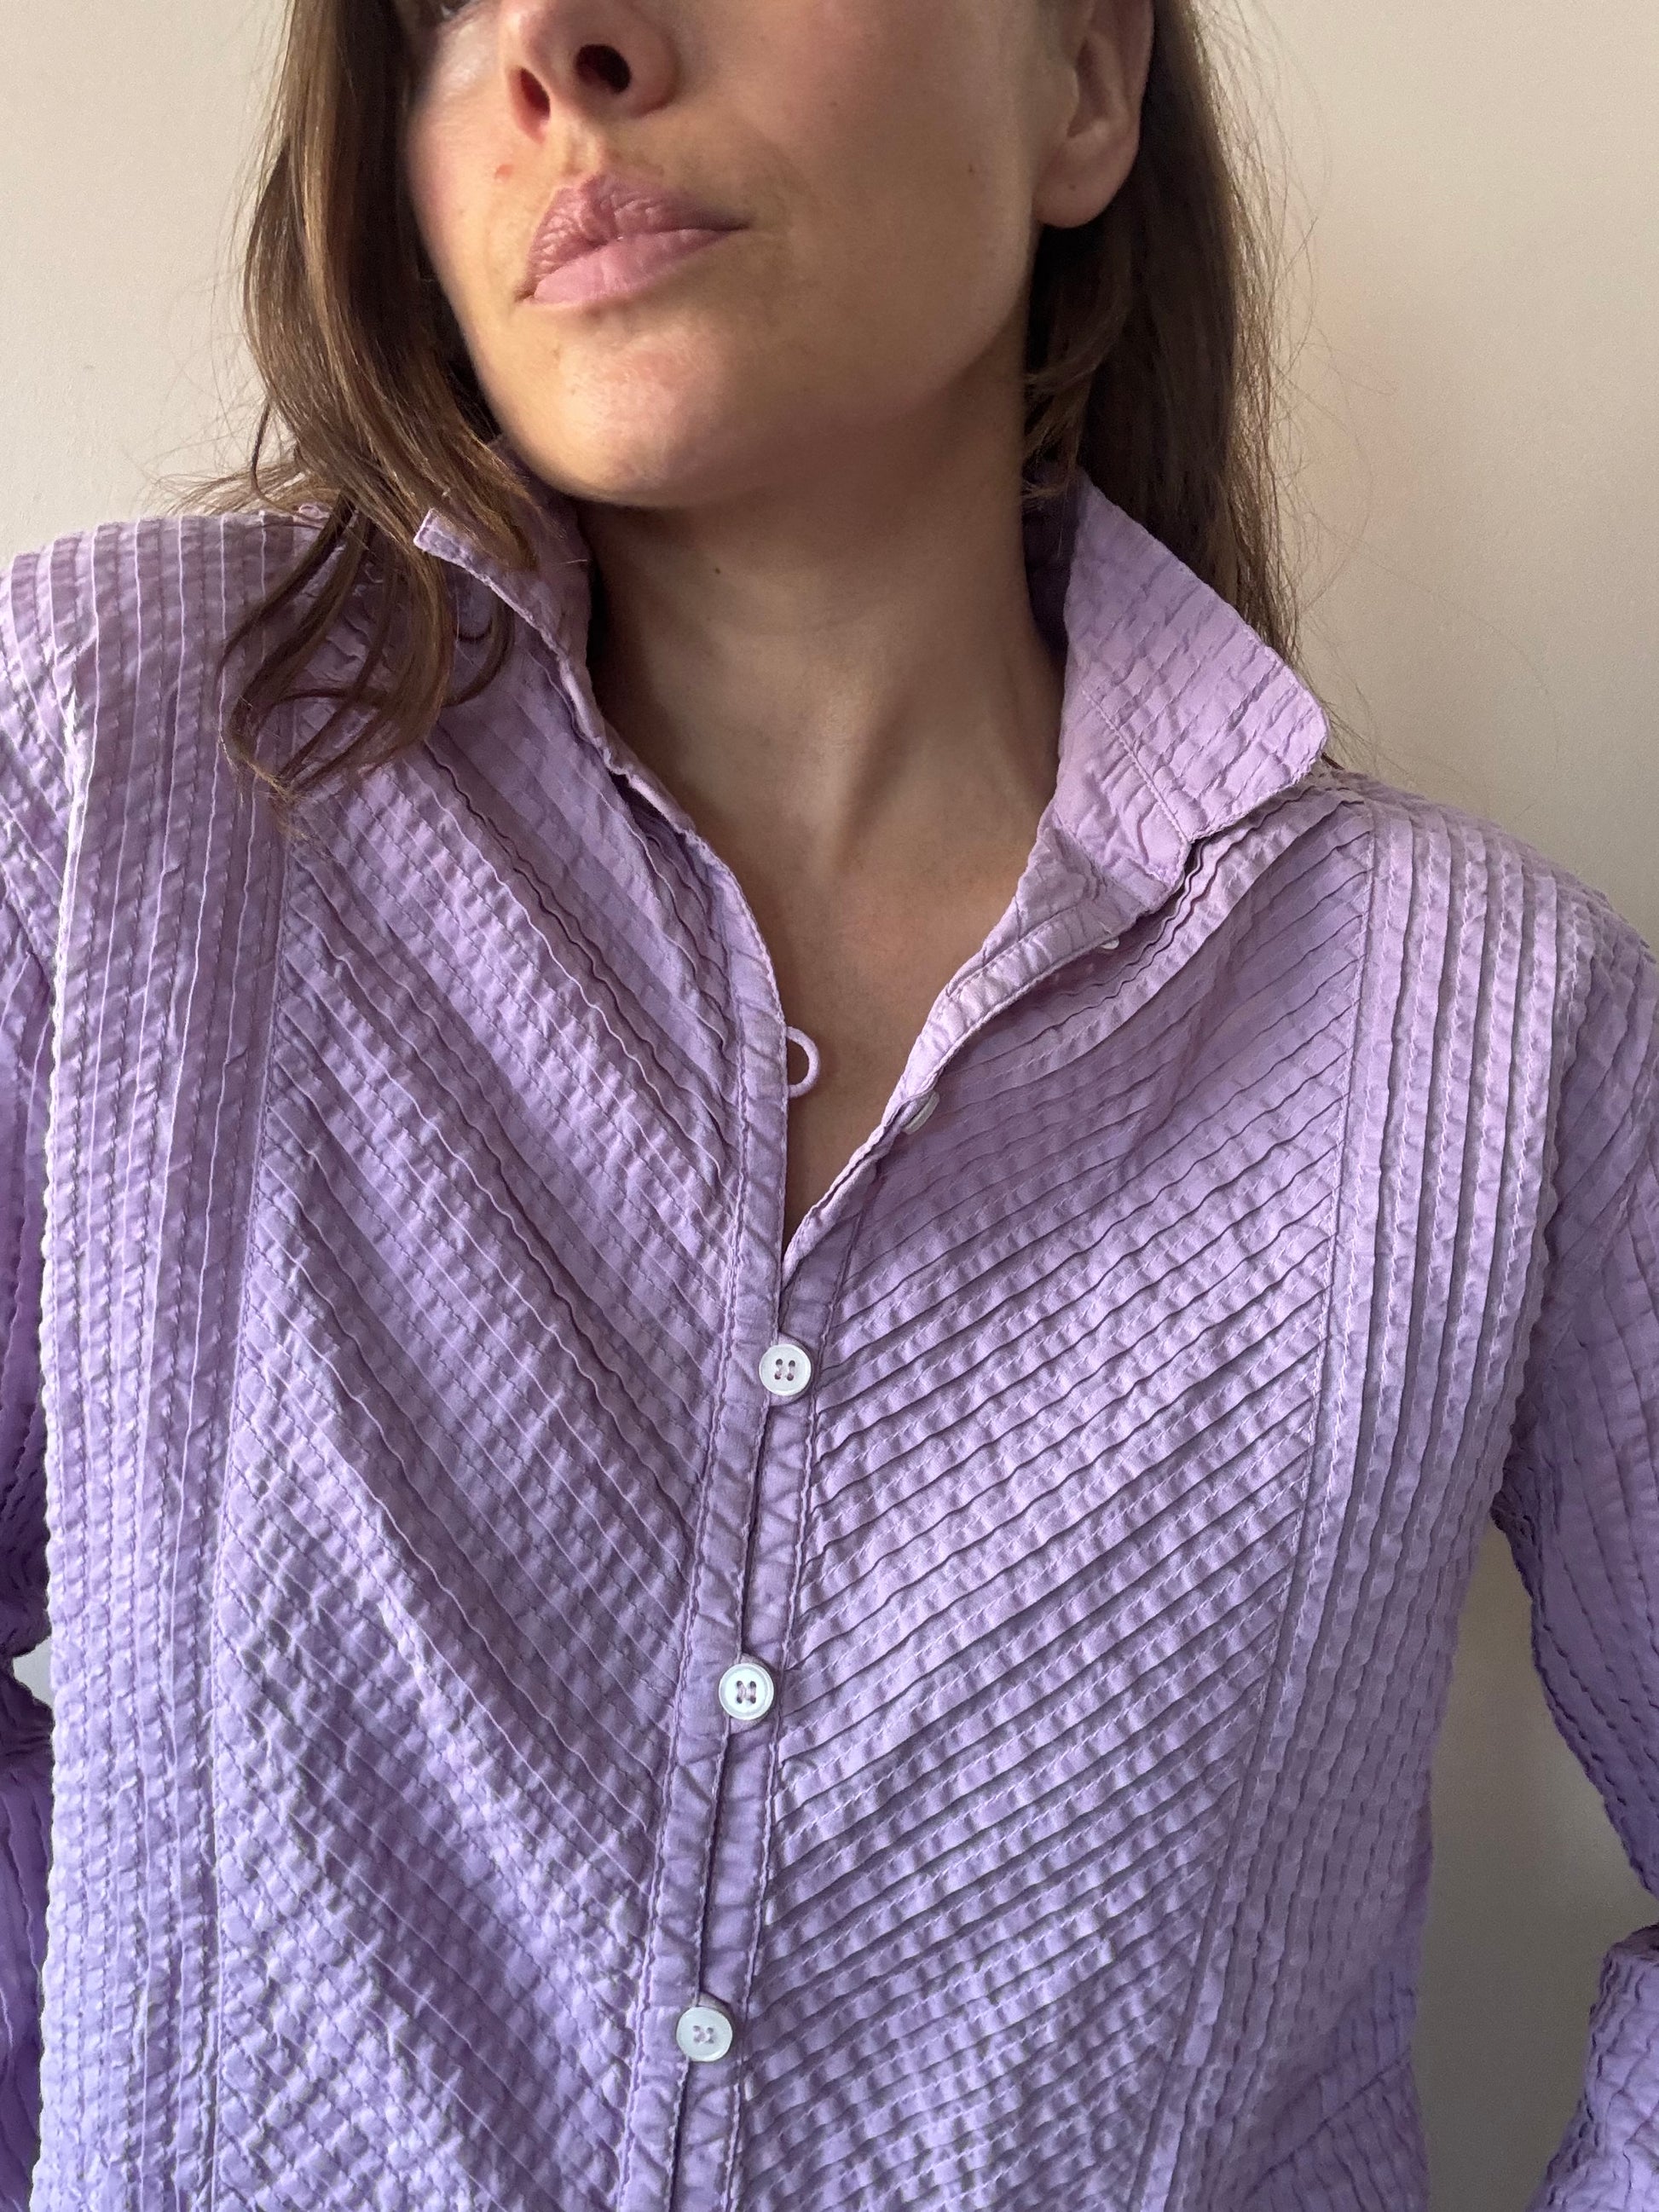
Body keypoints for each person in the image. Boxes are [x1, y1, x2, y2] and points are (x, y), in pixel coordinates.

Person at [0, 0, 1655, 2205]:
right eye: (435, 9)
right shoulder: (121, 775)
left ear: (1083, 83)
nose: (551, 44)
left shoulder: (1491, 1030)